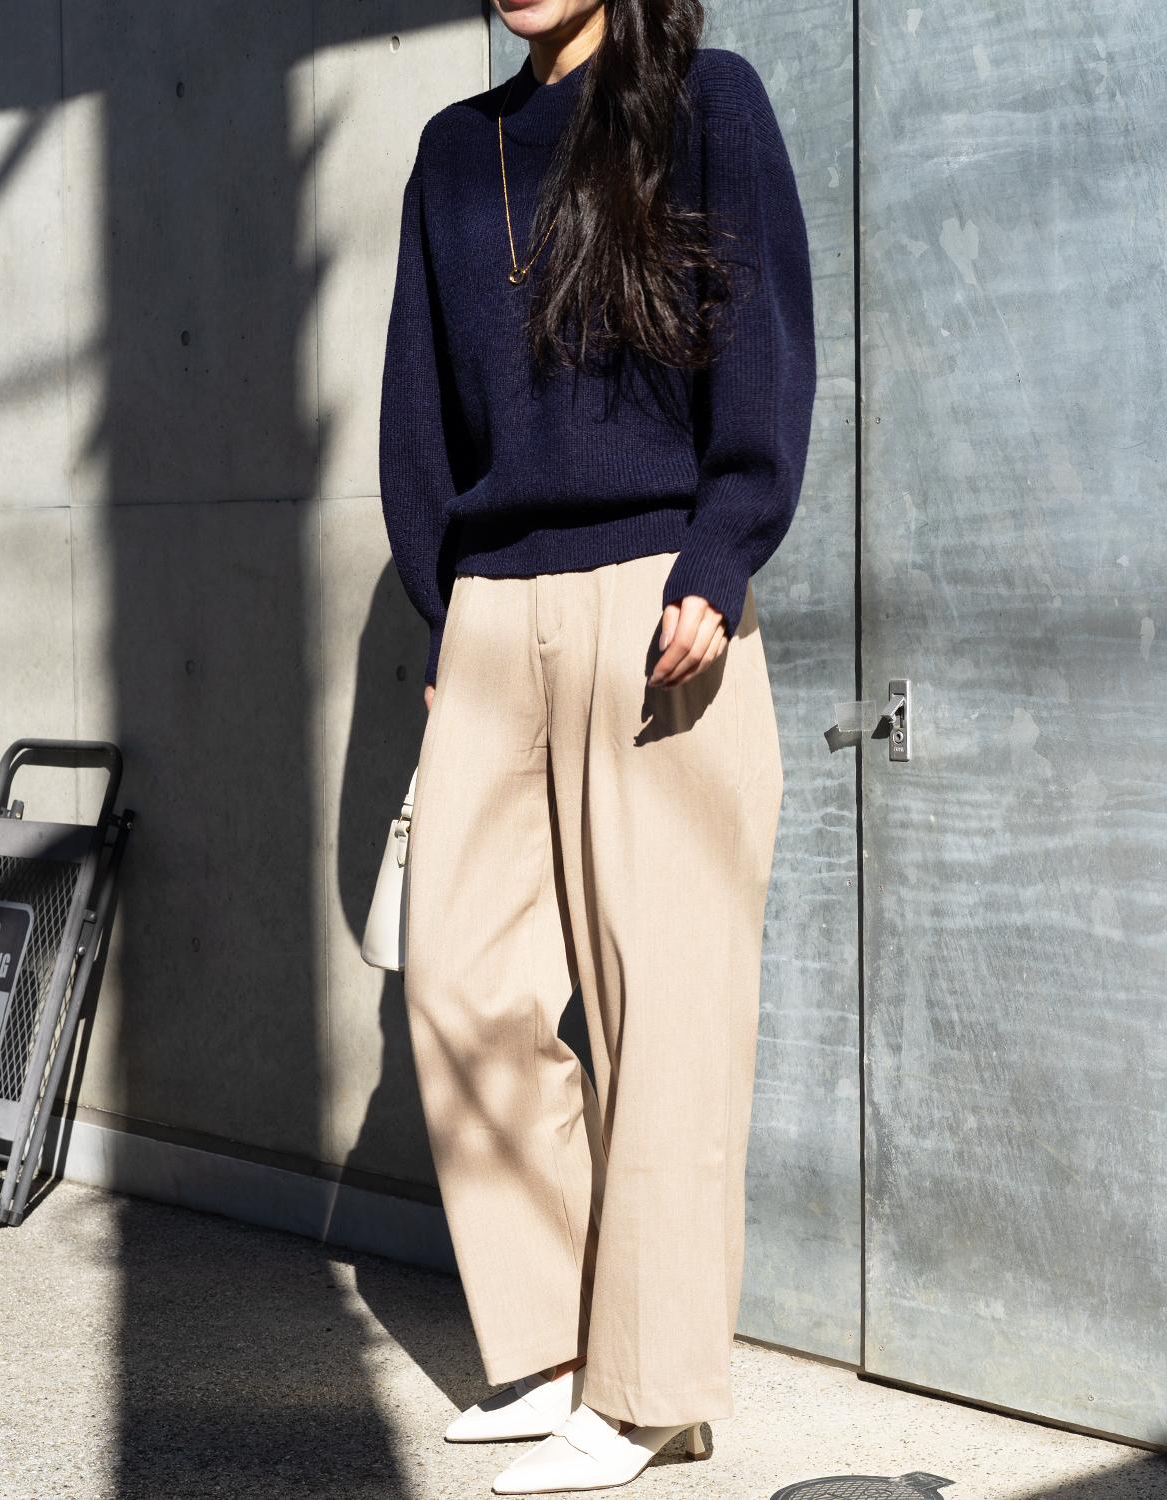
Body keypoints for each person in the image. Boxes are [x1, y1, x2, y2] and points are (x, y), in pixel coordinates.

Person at [379, 0, 816, 1491]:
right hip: (494, 612)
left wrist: (721, 555)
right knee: (458, 978)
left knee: (667, 1006)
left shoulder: (708, 105)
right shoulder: (456, 153)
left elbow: (761, 348)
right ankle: (562, 1349)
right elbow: (420, 416)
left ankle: (647, 1395)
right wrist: (447, 622)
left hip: (661, 594)